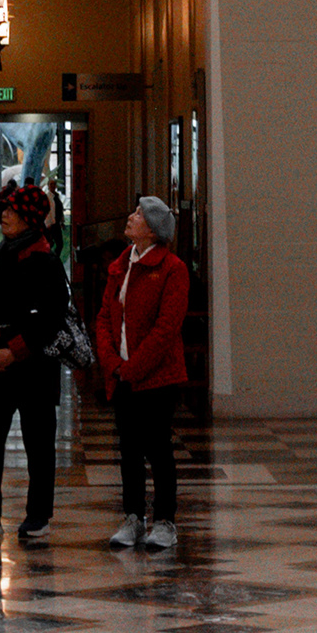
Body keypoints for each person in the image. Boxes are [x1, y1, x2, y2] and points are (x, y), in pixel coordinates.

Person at [0, 181, 71, 542]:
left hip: (34, 368)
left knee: (38, 442)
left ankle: (38, 514)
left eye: (11, 210)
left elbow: (51, 318)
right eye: (3, 208)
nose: (3, 214)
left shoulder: (44, 259)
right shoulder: (1, 253)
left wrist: (14, 351)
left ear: (30, 218)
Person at [97, 195, 191, 554]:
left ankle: (165, 521)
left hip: (157, 378)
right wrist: (111, 361)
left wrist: (133, 368)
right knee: (129, 449)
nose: (130, 216)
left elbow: (166, 329)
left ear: (151, 229)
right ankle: (133, 517)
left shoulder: (172, 269)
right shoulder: (121, 265)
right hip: (122, 374)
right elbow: (105, 317)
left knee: (158, 448)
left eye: (137, 214)